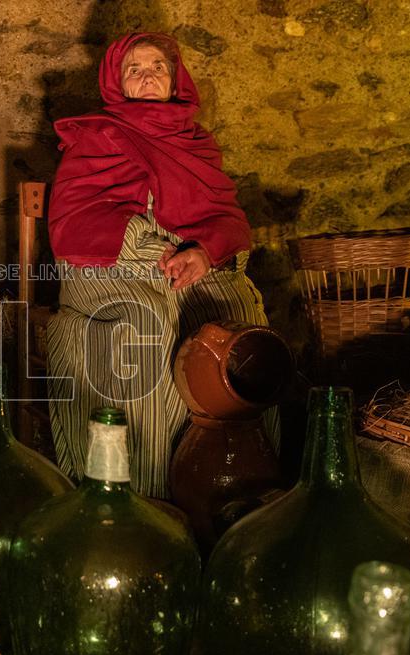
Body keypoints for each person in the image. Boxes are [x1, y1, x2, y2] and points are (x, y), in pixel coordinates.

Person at [46, 33, 273, 498]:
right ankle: (138, 498)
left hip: (194, 266)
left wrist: (205, 253)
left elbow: (228, 217)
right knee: (142, 330)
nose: (147, 74)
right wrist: (148, 251)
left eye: (157, 67)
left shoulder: (198, 144)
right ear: (117, 82)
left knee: (243, 334)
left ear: (175, 80)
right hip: (112, 266)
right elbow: (72, 219)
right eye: (134, 68)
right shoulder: (95, 136)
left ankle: (238, 498)